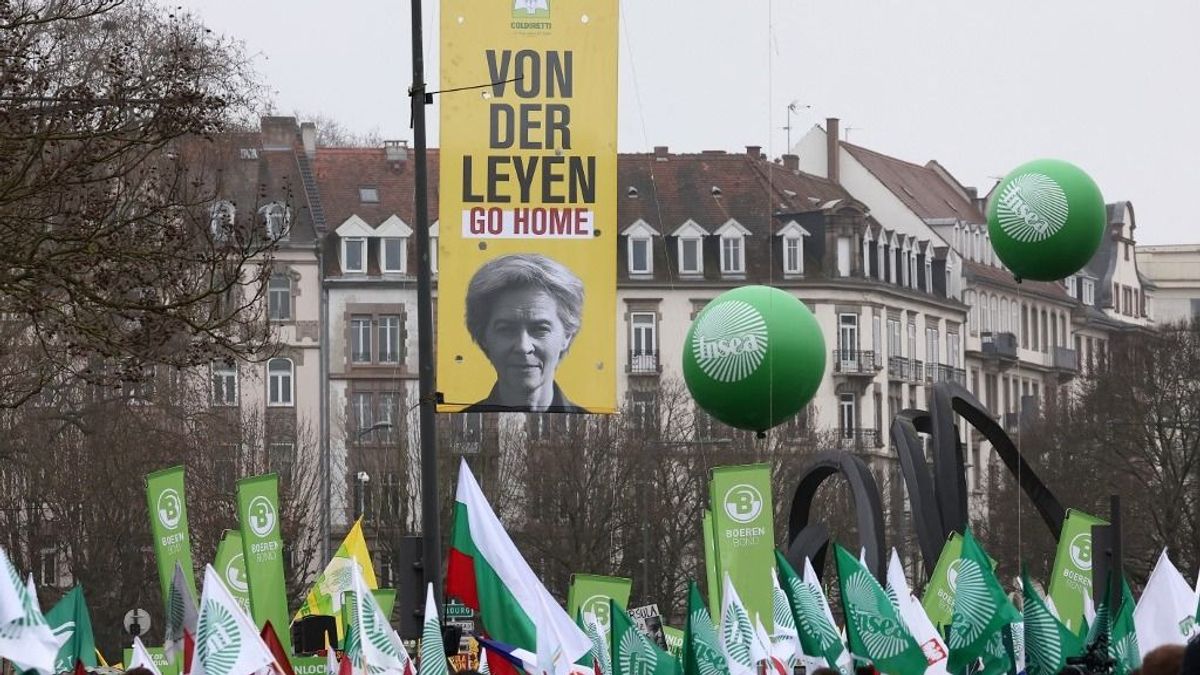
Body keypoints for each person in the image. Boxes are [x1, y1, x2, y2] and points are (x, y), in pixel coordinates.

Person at [463, 253, 586, 413]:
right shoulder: (462, 423)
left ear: (567, 336)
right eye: (506, 329)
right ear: (483, 336)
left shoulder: (593, 427)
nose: (523, 347)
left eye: (540, 329)